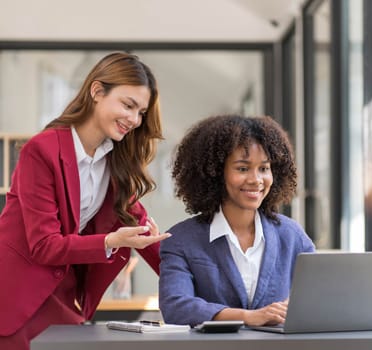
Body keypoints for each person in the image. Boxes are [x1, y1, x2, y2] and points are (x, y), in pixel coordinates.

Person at [0, 52, 171, 349]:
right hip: (15, 300)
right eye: (128, 105)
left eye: (141, 112)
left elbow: (144, 234)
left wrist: (207, 295)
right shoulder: (41, 151)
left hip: (64, 303)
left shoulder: (116, 166)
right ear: (96, 91)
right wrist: (109, 241)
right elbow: (43, 245)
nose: (134, 119)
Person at [159, 115, 315, 327]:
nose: (256, 180)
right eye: (242, 168)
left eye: (264, 168)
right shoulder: (181, 240)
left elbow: (318, 294)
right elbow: (176, 307)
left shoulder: (291, 235)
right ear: (215, 173)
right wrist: (248, 317)